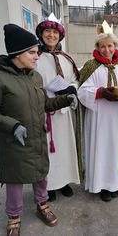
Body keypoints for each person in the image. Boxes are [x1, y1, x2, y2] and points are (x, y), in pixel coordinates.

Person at [0, 24, 78, 236]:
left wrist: (65, 99)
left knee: (41, 175)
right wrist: (12, 125)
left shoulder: (35, 77)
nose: (37, 56)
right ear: (17, 54)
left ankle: (42, 205)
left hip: (38, 136)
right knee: (15, 180)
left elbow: (43, 103)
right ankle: (14, 218)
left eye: (36, 52)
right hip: (14, 141)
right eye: (32, 52)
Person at [77, 22, 118, 202]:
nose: (106, 50)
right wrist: (100, 92)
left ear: (115, 47)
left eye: (110, 46)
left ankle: (115, 183)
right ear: (97, 48)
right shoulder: (90, 66)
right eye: (102, 46)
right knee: (101, 148)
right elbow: (81, 91)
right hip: (98, 117)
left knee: (115, 148)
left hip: (116, 117)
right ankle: (101, 185)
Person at [35, 13, 81, 202]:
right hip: (46, 110)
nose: (51, 35)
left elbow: (75, 80)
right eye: (47, 31)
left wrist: (72, 89)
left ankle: (64, 182)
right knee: (48, 149)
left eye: (55, 32)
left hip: (64, 113)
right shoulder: (34, 57)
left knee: (64, 147)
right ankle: (50, 185)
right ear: (41, 34)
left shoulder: (67, 58)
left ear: (60, 35)